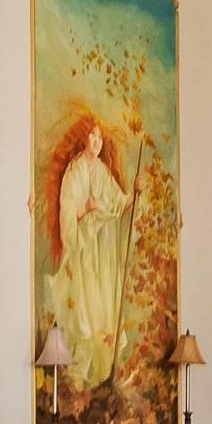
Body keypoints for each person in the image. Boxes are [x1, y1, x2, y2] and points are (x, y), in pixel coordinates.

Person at [52, 124, 130, 383]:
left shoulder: (102, 171)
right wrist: (85, 208)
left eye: (100, 137)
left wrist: (134, 193)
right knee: (83, 307)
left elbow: (118, 201)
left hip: (99, 253)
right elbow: (67, 212)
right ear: (83, 137)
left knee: (101, 304)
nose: (97, 141)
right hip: (81, 250)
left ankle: (104, 373)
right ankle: (79, 373)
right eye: (93, 135)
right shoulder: (74, 172)